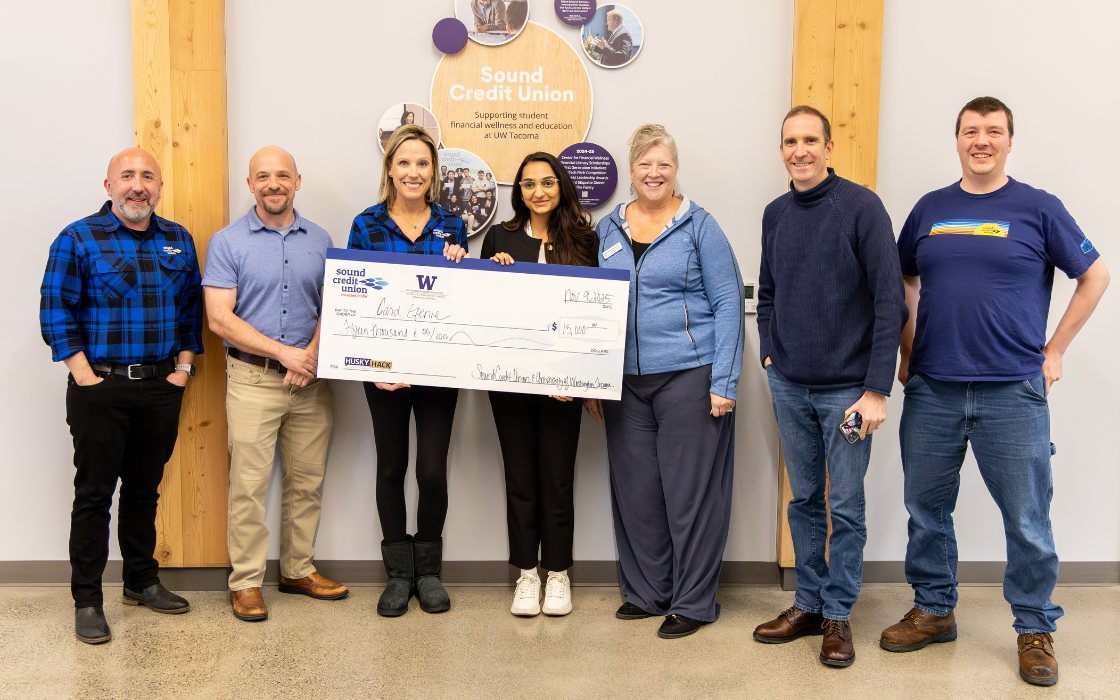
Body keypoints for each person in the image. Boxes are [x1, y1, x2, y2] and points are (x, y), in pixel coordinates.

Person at [881, 97, 1109, 687]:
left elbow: (1096, 275)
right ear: (956, 140)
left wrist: (1053, 351)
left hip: (1013, 391)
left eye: (993, 131)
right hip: (933, 389)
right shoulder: (931, 208)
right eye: (970, 131)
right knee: (925, 510)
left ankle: (1034, 628)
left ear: (1010, 141)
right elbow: (903, 276)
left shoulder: (1038, 207)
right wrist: (909, 349)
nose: (981, 140)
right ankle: (934, 609)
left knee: (1027, 518)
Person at [752, 106, 907, 668]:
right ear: (782, 149)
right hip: (790, 385)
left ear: (829, 146)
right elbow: (767, 292)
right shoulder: (775, 214)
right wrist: (771, 354)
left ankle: (839, 614)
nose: (800, 150)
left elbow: (891, 301)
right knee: (802, 501)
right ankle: (809, 603)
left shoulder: (861, 207)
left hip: (849, 393)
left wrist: (876, 389)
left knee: (845, 504)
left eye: (810, 140)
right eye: (790, 141)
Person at [40, 147, 203, 644]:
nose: (138, 185)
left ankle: (141, 581)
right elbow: (55, 311)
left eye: (147, 176)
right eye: (127, 175)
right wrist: (84, 375)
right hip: (100, 390)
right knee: (92, 496)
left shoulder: (178, 239)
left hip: (160, 387)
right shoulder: (77, 238)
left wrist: (182, 371)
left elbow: (192, 311)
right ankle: (88, 599)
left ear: (159, 186)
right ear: (108, 185)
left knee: (143, 490)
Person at [597, 125, 744, 640]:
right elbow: (591, 305)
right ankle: (647, 592)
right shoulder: (607, 228)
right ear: (631, 170)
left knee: (691, 496)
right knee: (637, 494)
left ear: (674, 169)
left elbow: (729, 304)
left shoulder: (701, 227)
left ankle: (693, 601)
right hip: (625, 385)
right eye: (644, 164)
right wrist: (594, 381)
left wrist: (724, 381)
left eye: (663, 164)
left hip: (690, 374)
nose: (653, 173)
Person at [202, 146, 347, 623]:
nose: (273, 184)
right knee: (248, 484)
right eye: (262, 176)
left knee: (307, 481)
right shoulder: (227, 242)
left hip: (311, 381)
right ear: (250, 185)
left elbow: (336, 306)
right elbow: (219, 319)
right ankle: (245, 582)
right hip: (252, 379)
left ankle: (297, 570)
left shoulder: (321, 239)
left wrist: (309, 358)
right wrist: (285, 353)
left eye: (282, 175)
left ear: (297, 181)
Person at [348, 125, 469, 617]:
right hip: (383, 370)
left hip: (439, 368)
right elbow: (351, 300)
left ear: (433, 172)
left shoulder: (452, 225)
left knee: (432, 470)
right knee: (391, 467)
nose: (414, 172)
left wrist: (462, 266)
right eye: (405, 163)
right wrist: (371, 366)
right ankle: (399, 575)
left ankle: (430, 570)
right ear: (390, 170)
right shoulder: (366, 225)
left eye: (423, 164)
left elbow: (462, 299)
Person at [480, 152, 603, 617]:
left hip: (563, 385)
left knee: (556, 478)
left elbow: (594, 314)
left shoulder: (583, 240)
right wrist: (496, 267)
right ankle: (526, 575)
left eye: (548, 182)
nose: (539, 191)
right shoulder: (500, 236)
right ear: (519, 192)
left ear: (561, 187)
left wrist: (579, 379)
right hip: (510, 383)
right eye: (529, 184)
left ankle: (558, 574)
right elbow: (485, 305)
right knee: (520, 478)